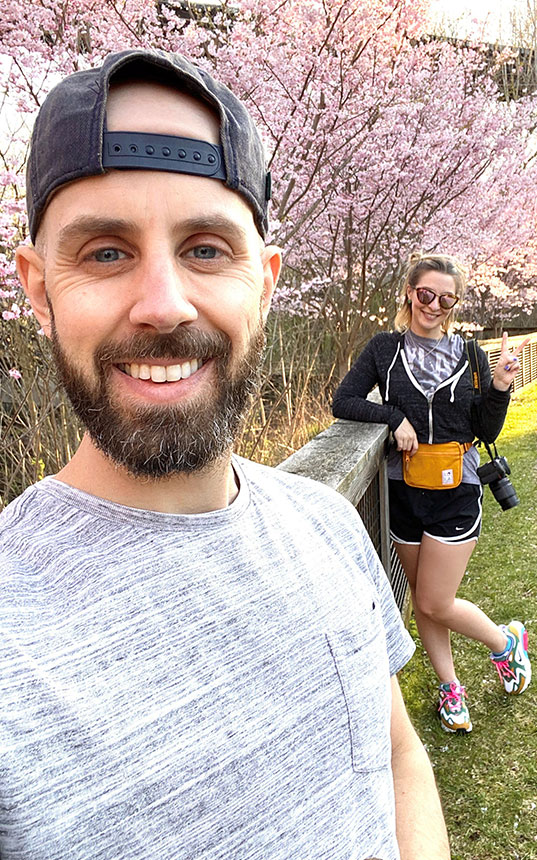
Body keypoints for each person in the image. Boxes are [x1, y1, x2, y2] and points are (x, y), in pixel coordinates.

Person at [0, 50, 450, 859]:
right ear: (37, 289)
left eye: (206, 248)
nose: (164, 305)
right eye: (105, 252)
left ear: (266, 283)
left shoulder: (327, 524)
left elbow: (397, 762)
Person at [332, 254, 532, 735]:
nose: (435, 305)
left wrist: (501, 385)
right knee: (424, 601)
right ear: (409, 292)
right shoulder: (385, 349)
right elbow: (343, 400)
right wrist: (392, 418)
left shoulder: (470, 354)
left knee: (436, 600)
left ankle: (505, 644)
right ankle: (450, 688)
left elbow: (485, 425)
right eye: (427, 294)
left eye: (447, 299)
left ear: (455, 305)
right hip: (404, 490)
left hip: (456, 488)